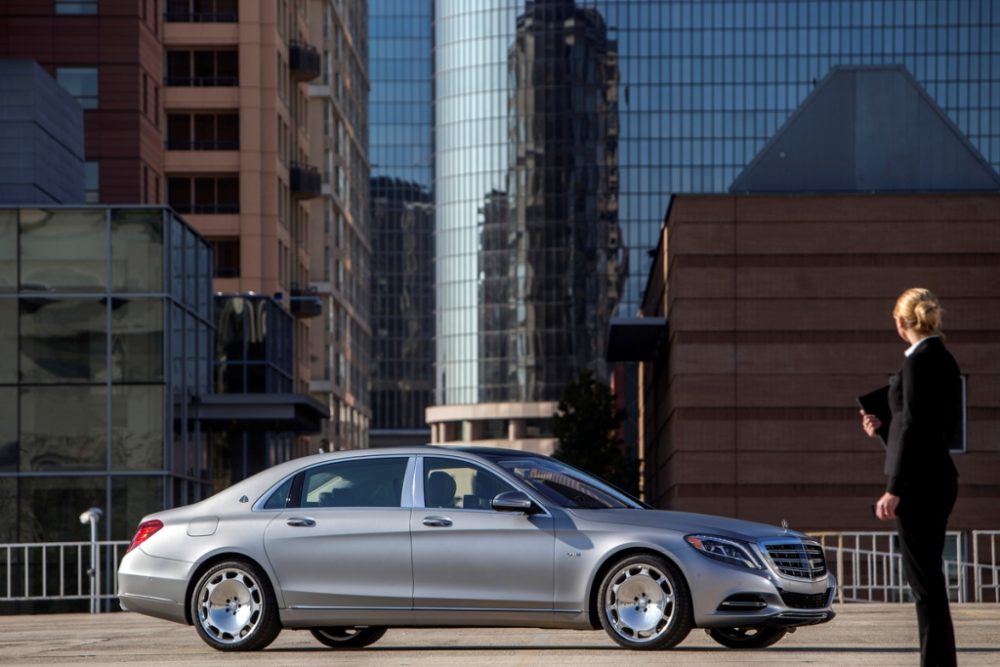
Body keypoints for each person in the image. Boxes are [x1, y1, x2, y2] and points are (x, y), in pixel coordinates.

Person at [860, 287, 961, 667]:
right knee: (929, 582)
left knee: (925, 586)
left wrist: (894, 489)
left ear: (901, 323)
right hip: (938, 478)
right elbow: (932, 429)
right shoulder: (945, 360)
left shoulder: (917, 363)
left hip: (919, 485)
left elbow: (916, 427)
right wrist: (884, 431)